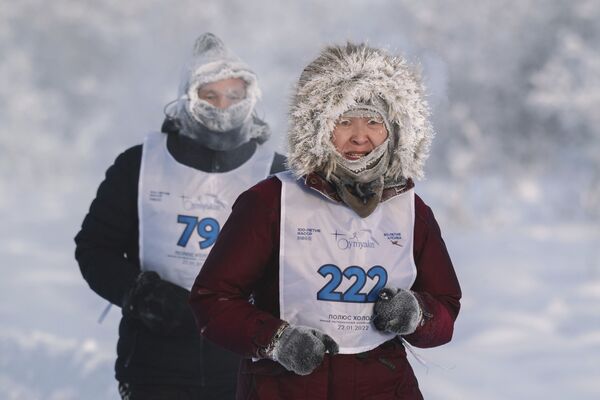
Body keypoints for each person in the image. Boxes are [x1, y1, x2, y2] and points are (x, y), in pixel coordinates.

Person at [189, 42, 462, 399]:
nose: (360, 136)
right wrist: (277, 341)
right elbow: (213, 299)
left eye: (374, 121)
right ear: (317, 126)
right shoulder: (270, 201)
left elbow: (445, 307)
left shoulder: (412, 210)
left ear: (395, 129)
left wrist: (416, 314)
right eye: (344, 121)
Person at [74, 32, 285, 400]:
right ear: (188, 97)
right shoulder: (138, 165)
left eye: (234, 96)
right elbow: (94, 248)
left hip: (249, 371)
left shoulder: (279, 176)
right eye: (210, 96)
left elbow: (310, 262)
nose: (223, 107)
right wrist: (139, 294)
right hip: (155, 370)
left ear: (250, 100)